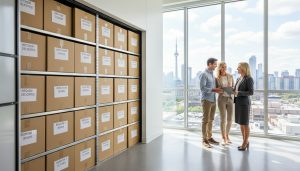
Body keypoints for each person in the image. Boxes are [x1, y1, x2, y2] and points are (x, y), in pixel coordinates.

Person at [199, 58, 223, 148]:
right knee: (205, 120)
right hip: (206, 100)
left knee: (211, 120)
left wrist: (218, 90)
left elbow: (214, 88)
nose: (216, 66)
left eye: (216, 64)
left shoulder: (212, 75)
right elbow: (202, 88)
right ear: (209, 64)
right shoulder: (203, 74)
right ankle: (204, 140)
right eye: (214, 64)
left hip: (213, 100)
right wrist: (213, 89)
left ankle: (209, 137)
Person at [233, 62, 254, 151]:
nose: (237, 69)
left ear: (243, 68)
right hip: (238, 102)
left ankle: (245, 143)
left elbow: (251, 92)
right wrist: (231, 90)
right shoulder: (238, 78)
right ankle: (245, 141)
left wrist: (239, 93)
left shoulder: (249, 79)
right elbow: (235, 90)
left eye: (238, 67)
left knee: (245, 124)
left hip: (244, 103)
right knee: (241, 123)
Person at [215, 61, 234, 145]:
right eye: (222, 67)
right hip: (221, 99)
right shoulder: (216, 78)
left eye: (225, 67)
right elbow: (216, 90)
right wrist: (224, 88)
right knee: (223, 119)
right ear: (219, 68)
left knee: (230, 119)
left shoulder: (230, 76)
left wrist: (229, 87)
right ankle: (223, 137)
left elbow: (233, 88)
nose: (224, 68)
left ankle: (227, 135)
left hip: (229, 99)